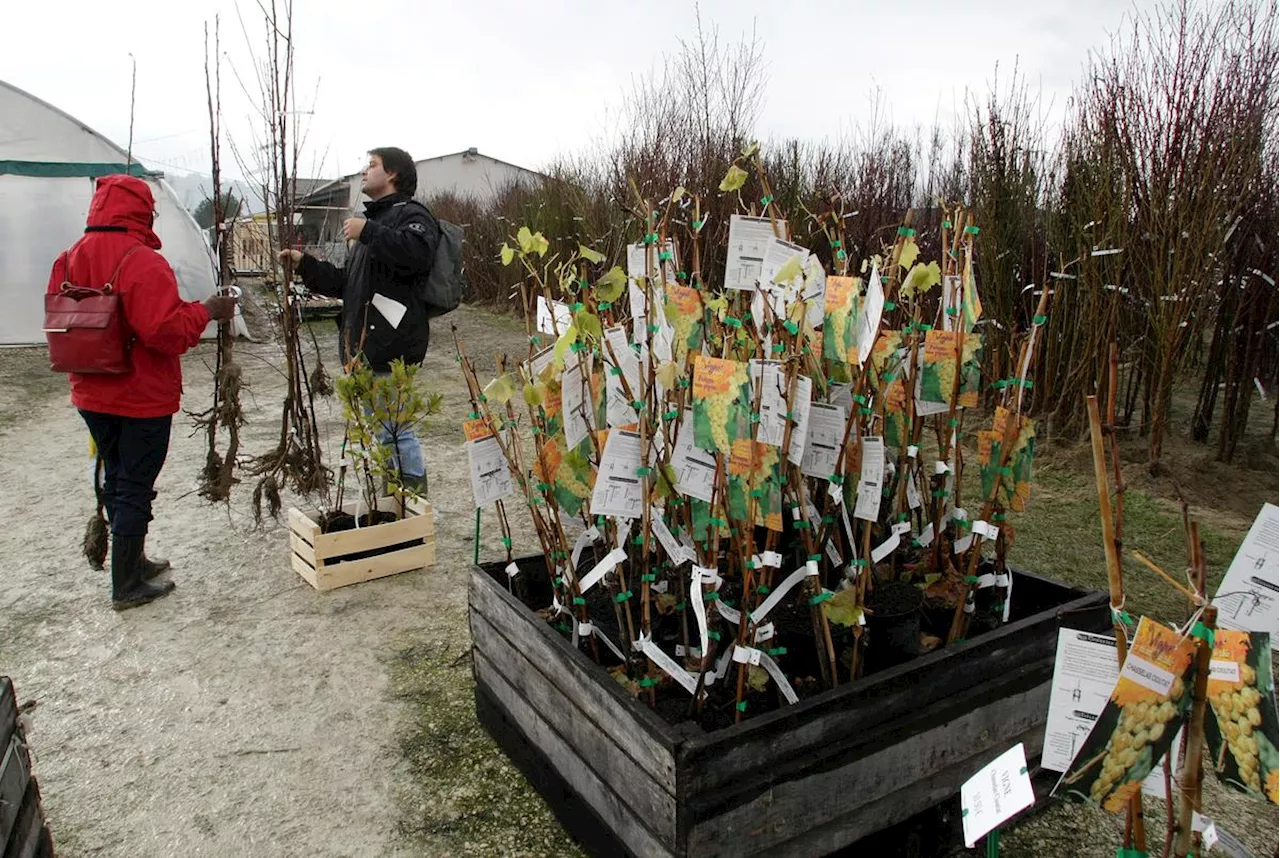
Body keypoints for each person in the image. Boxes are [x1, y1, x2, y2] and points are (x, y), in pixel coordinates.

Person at [47, 174, 239, 610]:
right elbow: (166, 333)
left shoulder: (68, 258)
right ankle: (127, 583)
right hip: (139, 396)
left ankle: (132, 561)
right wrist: (206, 311)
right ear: (140, 211)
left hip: (90, 392)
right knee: (135, 483)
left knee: (117, 477)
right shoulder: (142, 261)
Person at [279, 147, 439, 491]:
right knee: (382, 434)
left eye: (372, 165)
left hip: (391, 346)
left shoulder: (412, 215)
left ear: (393, 174)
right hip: (365, 348)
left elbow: (418, 253)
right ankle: (392, 503)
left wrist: (367, 231)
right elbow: (346, 284)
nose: (365, 172)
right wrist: (305, 264)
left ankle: (410, 503)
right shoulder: (375, 223)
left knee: (395, 431)